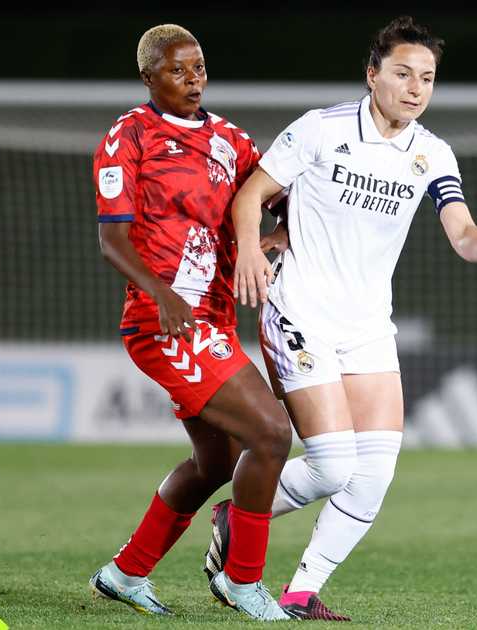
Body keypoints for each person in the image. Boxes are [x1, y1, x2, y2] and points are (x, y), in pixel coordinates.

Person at [202, 16, 477, 621]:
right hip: (300, 311)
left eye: (427, 78)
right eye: (403, 74)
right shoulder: (320, 131)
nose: (415, 88)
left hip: (369, 326)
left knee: (373, 474)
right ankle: (240, 516)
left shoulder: (431, 152)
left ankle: (299, 591)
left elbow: (460, 228)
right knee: (332, 466)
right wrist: (249, 248)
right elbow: (250, 194)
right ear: (372, 73)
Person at [88, 23, 292, 621]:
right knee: (273, 435)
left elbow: (272, 196)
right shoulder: (128, 136)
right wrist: (161, 294)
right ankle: (243, 581)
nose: (193, 79)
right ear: (149, 77)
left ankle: (126, 573)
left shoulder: (231, 140)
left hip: (215, 319)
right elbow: (112, 239)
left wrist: (274, 235)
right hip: (166, 323)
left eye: (199, 67)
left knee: (217, 464)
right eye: (178, 70)